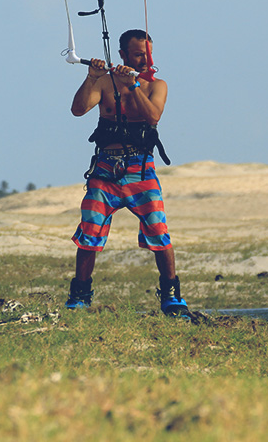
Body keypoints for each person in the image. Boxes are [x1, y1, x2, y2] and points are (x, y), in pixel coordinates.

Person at [65, 29, 188, 316]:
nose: (145, 60)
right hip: (106, 168)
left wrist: (132, 85)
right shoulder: (105, 83)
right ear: (122, 55)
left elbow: (153, 116)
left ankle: (170, 293)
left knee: (158, 230)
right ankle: (80, 294)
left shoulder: (157, 86)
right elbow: (78, 110)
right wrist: (92, 77)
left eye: (148, 54)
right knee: (90, 232)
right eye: (138, 55)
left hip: (141, 170)